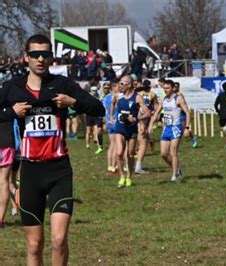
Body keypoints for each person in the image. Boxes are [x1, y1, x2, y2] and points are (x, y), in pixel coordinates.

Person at [0, 34, 104, 265]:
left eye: (45, 55)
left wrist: (73, 102)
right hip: (30, 172)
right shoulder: (12, 88)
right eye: (35, 54)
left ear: (51, 58)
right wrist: (10, 113)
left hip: (59, 171)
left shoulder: (62, 85)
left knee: (58, 240)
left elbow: (99, 109)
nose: (40, 59)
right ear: (26, 57)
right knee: (35, 245)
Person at [110, 75, 150, 188]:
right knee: (119, 153)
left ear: (129, 85)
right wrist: (112, 117)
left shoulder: (137, 98)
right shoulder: (117, 96)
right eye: (119, 83)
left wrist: (136, 119)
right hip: (120, 128)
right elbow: (112, 104)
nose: (119, 85)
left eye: (122, 83)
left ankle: (129, 176)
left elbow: (147, 113)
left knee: (130, 154)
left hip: (132, 129)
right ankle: (122, 176)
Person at [148, 80, 191, 182]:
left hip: (176, 128)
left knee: (173, 152)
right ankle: (177, 169)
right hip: (166, 128)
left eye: (167, 88)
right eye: (164, 88)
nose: (165, 90)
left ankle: (174, 176)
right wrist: (150, 125)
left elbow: (188, 113)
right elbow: (157, 113)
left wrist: (187, 128)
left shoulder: (178, 98)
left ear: (172, 88)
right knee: (163, 154)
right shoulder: (164, 99)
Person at [135, 79, 160, 174]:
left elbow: (155, 105)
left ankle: (150, 141)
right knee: (143, 134)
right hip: (141, 114)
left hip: (146, 115)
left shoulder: (152, 94)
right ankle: (149, 141)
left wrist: (154, 112)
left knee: (146, 132)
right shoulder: (139, 93)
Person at [101, 80, 120, 174]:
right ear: (114, 87)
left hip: (109, 122)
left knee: (112, 145)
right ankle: (114, 166)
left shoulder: (105, 98)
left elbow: (103, 111)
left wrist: (104, 122)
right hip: (116, 122)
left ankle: (110, 166)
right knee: (117, 145)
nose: (120, 87)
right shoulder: (118, 97)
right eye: (118, 86)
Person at [174, 82, 198, 148]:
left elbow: (184, 104)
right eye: (173, 86)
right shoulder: (172, 95)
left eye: (175, 87)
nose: (174, 88)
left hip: (182, 113)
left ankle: (193, 138)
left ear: (178, 87)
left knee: (184, 130)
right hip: (176, 114)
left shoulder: (180, 95)